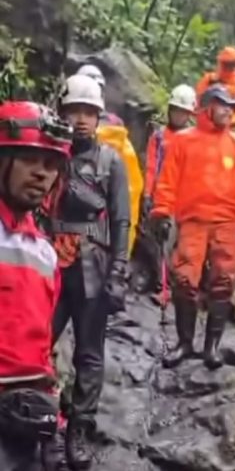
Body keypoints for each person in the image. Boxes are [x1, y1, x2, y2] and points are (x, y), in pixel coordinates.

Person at [150, 83, 235, 370]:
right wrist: (161, 211)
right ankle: (185, 343)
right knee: (184, 278)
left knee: (223, 279)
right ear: (207, 107)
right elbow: (167, 180)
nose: (229, 111)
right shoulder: (182, 141)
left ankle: (212, 347)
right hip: (193, 219)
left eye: (232, 106)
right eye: (223, 105)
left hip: (228, 221)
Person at [47, 73, 130, 469]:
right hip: (48, 260)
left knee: (89, 351)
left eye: (88, 112)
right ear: (61, 113)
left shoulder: (111, 161)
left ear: (99, 118)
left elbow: (121, 220)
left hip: (91, 264)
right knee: (37, 338)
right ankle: (39, 414)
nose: (80, 119)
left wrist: (119, 272)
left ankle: (80, 427)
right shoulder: (49, 154)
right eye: (73, 111)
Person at [0, 101, 72, 470]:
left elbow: (42, 348)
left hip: (27, 417)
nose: (42, 174)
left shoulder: (43, 252)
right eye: (31, 160)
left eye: (51, 166)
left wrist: (56, 424)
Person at [74, 64, 143, 257]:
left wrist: (120, 258)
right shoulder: (61, 136)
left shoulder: (116, 139)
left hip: (96, 238)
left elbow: (129, 195)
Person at [142, 84, 196, 217]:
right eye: (176, 110)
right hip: (158, 198)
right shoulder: (159, 136)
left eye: (183, 112)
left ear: (189, 114)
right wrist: (147, 194)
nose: (178, 115)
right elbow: (151, 167)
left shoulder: (193, 140)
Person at [195, 47, 235, 138]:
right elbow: (198, 104)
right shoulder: (209, 80)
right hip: (211, 126)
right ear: (220, 63)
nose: (229, 67)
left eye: (232, 64)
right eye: (227, 64)